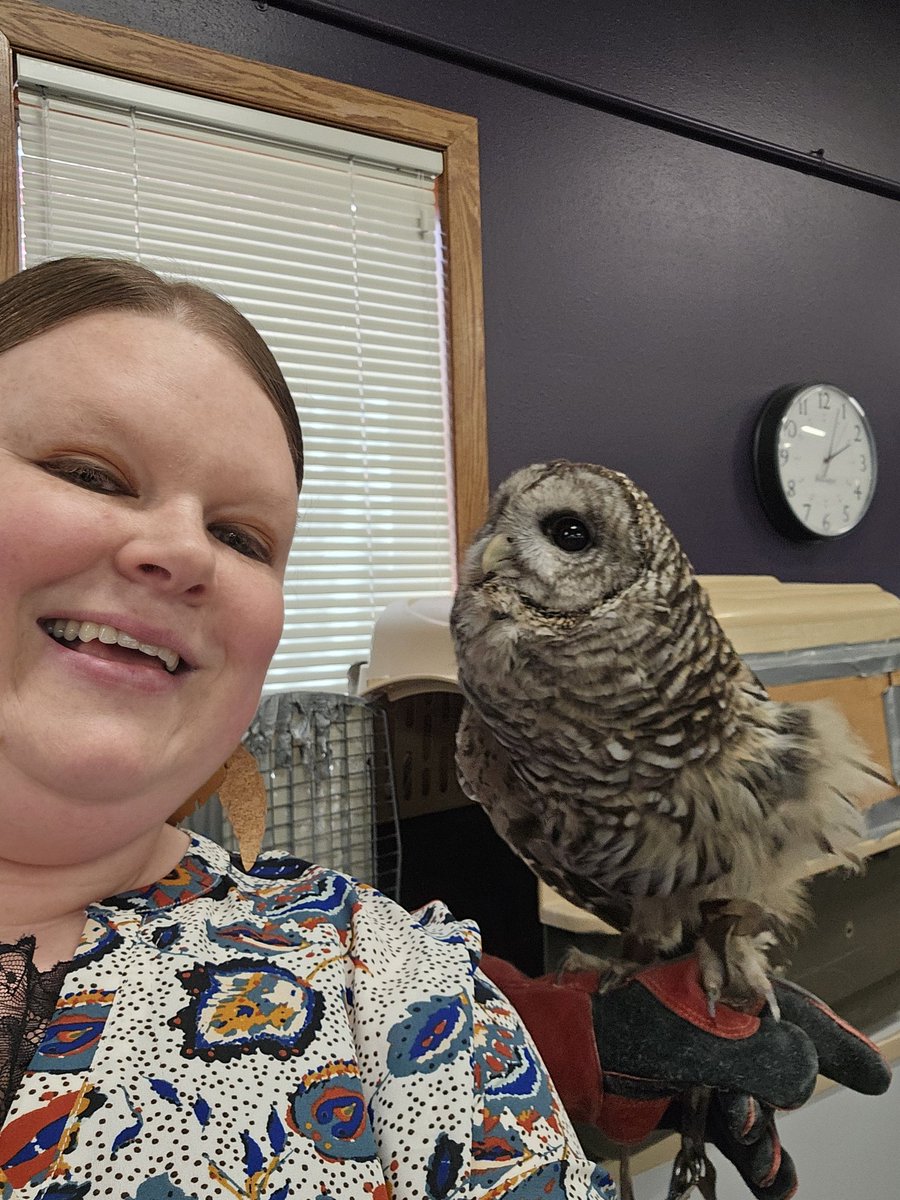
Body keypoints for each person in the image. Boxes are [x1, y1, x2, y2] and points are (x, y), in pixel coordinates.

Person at [0, 257, 889, 1200]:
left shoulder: (383, 973)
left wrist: (571, 1040)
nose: (180, 552)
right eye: (88, 474)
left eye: (243, 537)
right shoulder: (490, 754)